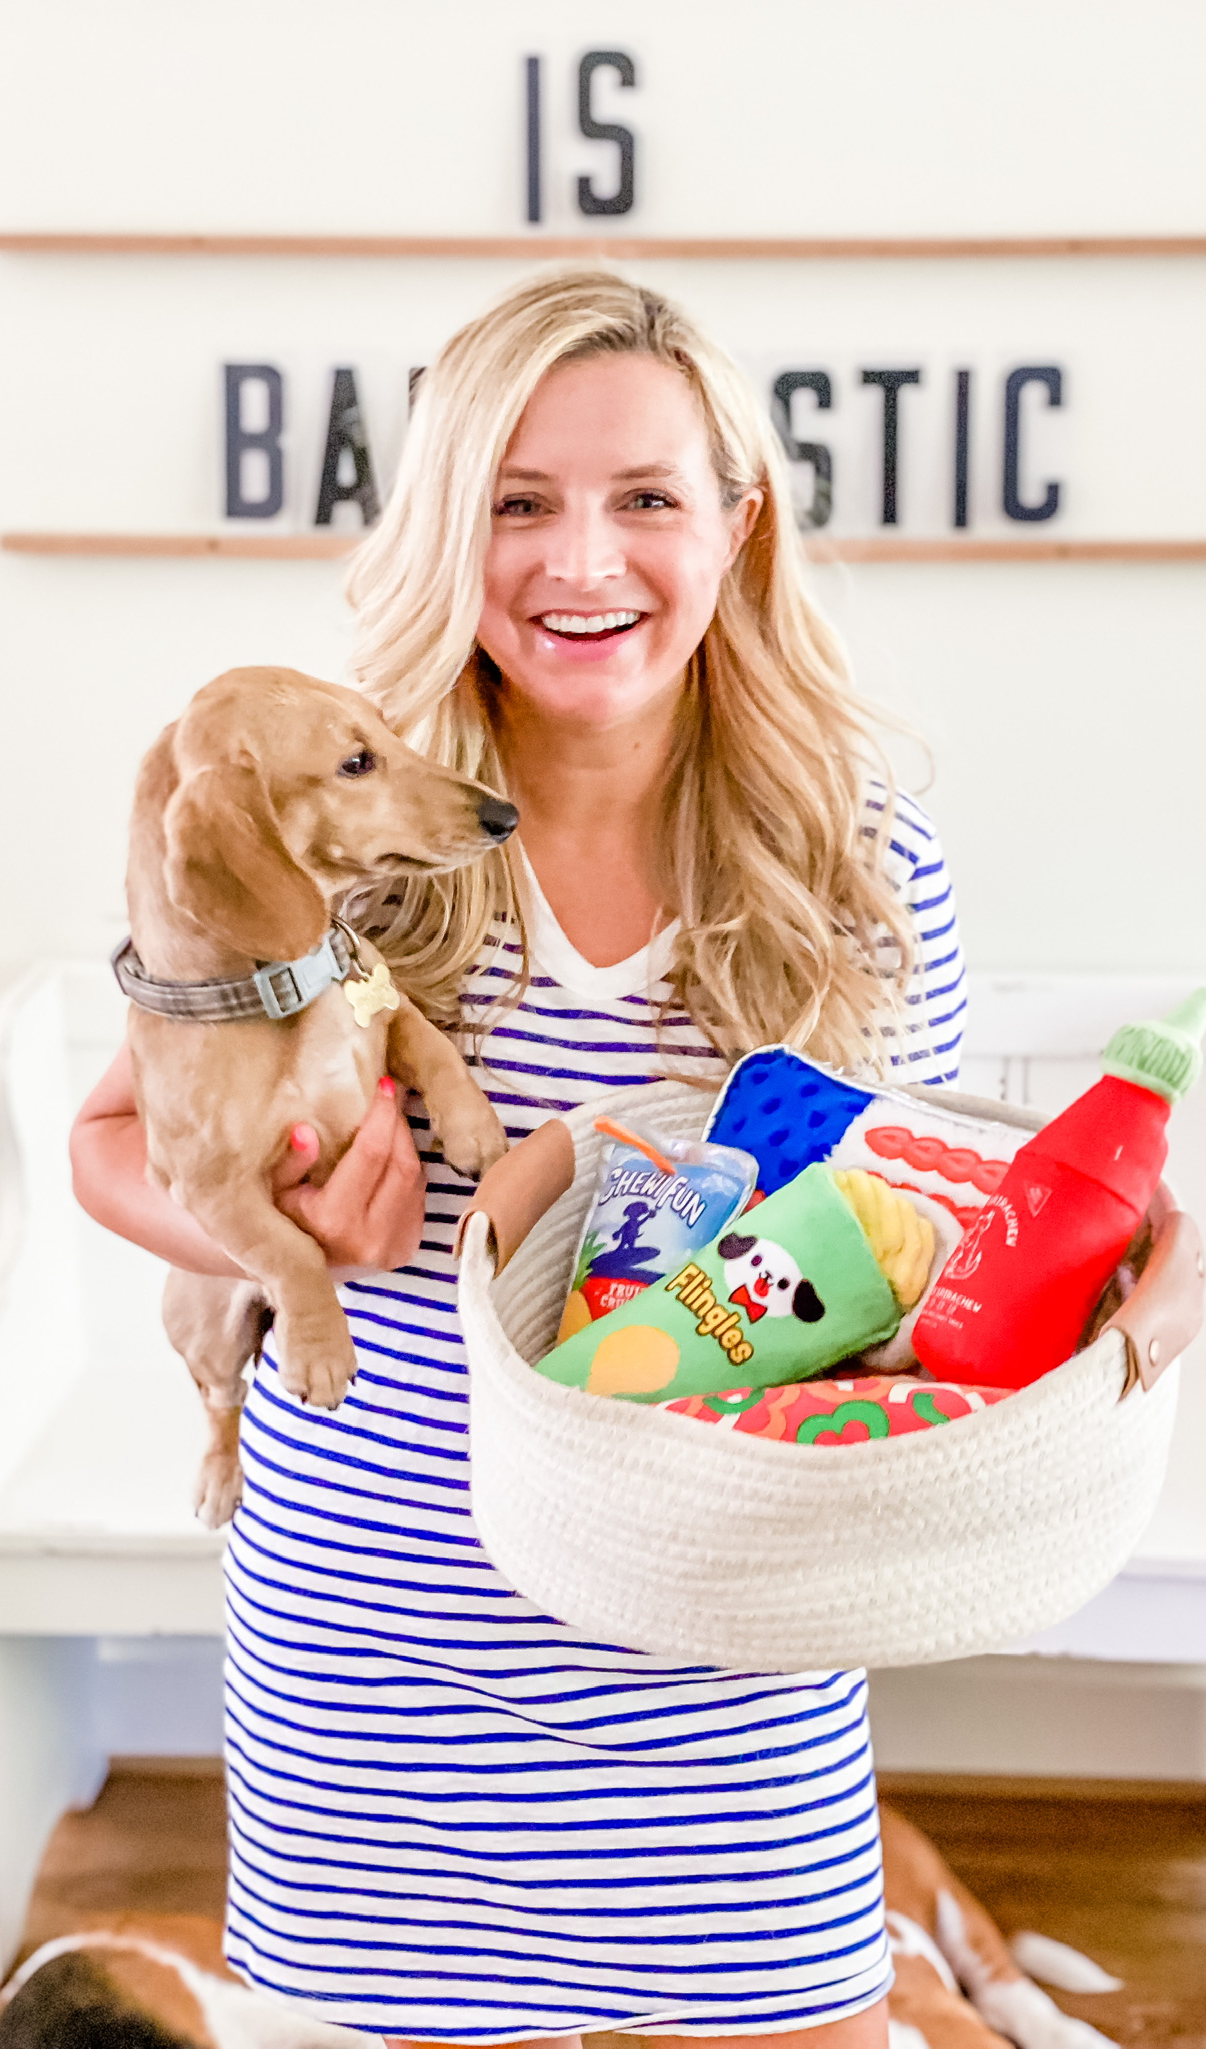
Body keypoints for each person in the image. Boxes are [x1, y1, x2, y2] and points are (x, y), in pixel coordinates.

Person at [72, 269, 965, 2049]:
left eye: (645, 496)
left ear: (737, 521)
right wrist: (286, 1234)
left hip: (728, 1690)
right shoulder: (331, 836)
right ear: (444, 527)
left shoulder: (865, 874)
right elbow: (112, 1138)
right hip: (372, 1696)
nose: (582, 562)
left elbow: (913, 1252)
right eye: (518, 501)